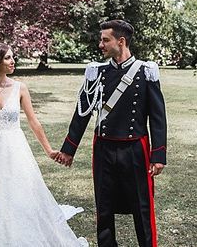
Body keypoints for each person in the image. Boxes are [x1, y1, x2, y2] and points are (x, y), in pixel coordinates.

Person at [0, 42, 88, 247]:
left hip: (16, 149)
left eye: (13, 57)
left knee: (20, 193)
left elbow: (34, 122)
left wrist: (49, 150)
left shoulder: (19, 88)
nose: (13, 61)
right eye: (7, 57)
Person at [54, 20, 167, 247]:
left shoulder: (146, 72)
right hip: (104, 147)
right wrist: (69, 149)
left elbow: (157, 117)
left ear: (121, 41)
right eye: (101, 40)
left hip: (135, 148)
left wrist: (158, 155)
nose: (101, 45)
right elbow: (82, 113)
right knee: (104, 206)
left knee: (142, 206)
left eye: (105, 40)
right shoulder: (97, 72)